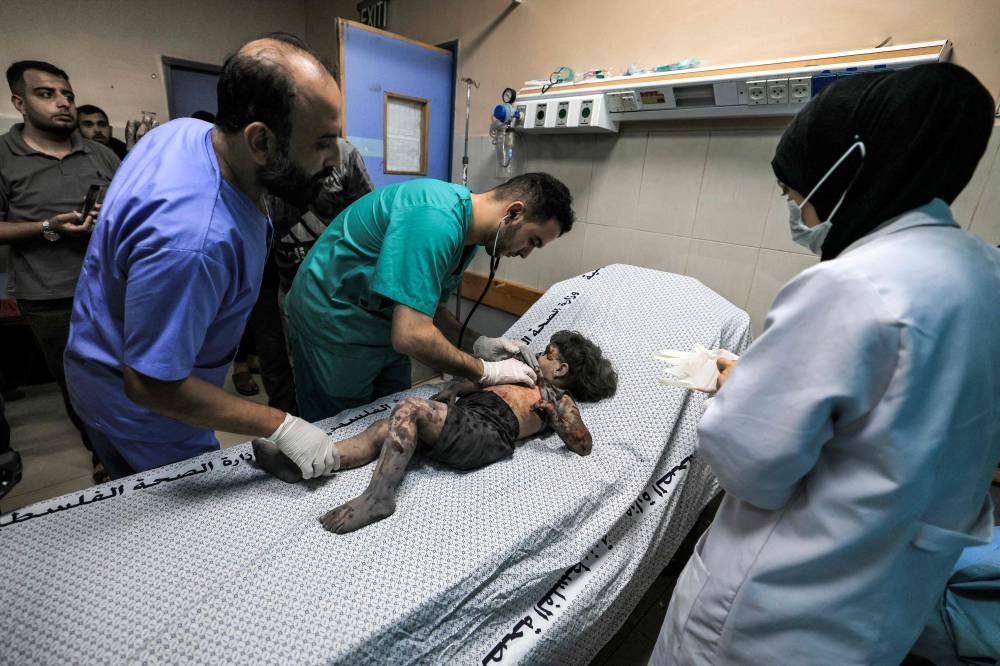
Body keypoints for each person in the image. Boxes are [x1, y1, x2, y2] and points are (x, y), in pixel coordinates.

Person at [651, 63, 1000, 665]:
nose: (797, 215)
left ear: (850, 173)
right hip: (881, 610)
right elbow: (896, 408)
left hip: (775, 614)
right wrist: (762, 377)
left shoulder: (850, 285)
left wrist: (740, 390)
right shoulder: (984, 272)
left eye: (795, 197)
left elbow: (750, 463)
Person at [63, 33, 348, 480]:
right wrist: (281, 424)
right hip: (140, 406)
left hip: (101, 352)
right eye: (322, 143)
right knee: (178, 528)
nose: (335, 159)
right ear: (261, 142)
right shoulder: (195, 243)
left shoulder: (188, 132)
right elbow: (151, 383)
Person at [253, 330, 618, 533]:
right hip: (461, 421)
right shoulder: (519, 374)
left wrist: (556, 412)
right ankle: (307, 464)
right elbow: (465, 386)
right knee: (387, 427)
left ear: (562, 367)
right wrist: (456, 388)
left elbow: (582, 444)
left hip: (487, 435)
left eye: (549, 353)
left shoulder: (555, 396)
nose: (540, 354)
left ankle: (379, 498)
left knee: (408, 410)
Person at [285, 171, 576, 425]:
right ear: (514, 212)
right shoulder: (434, 220)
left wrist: (478, 344)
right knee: (338, 431)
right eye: (533, 241)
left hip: (380, 328)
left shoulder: (468, 239)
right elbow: (411, 335)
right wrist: (486, 371)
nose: (525, 253)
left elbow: (430, 309)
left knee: (392, 414)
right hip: (331, 321)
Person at [1, 60, 120, 484]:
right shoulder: (5, 156)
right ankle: (102, 455)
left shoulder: (100, 153)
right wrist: (47, 226)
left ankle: (138, 448)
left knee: (126, 374)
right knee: (78, 384)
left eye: (66, 94)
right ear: (19, 102)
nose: (63, 103)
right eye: (46, 94)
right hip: (50, 293)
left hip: (111, 287)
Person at [248, 137, 373, 414]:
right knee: (280, 369)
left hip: (337, 291)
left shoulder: (343, 155)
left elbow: (367, 216)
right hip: (274, 278)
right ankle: (289, 433)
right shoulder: (260, 154)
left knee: (337, 382)